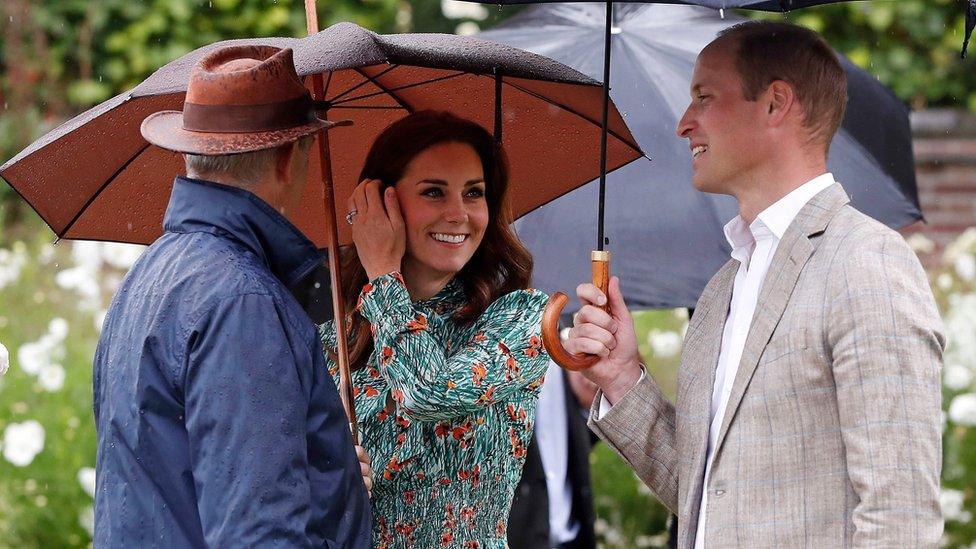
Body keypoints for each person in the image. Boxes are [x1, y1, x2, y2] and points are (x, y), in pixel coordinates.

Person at [564, 21, 945, 547]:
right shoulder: (723, 287)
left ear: (775, 104)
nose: (683, 123)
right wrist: (623, 378)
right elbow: (710, 500)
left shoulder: (866, 262)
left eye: (703, 97)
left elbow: (899, 515)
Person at [93, 45, 372, 547]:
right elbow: (258, 531)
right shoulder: (243, 301)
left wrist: (331, 483)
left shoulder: (149, 273)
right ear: (289, 159)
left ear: (191, 153)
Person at [319, 110, 550, 548]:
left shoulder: (518, 318)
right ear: (379, 202)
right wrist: (329, 483)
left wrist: (384, 273)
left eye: (474, 193)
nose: (458, 213)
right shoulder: (333, 342)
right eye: (433, 192)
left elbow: (430, 394)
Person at [508, 361, 597, 549]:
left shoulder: (568, 336)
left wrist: (590, 403)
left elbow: (580, 439)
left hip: (571, 536)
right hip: (515, 538)